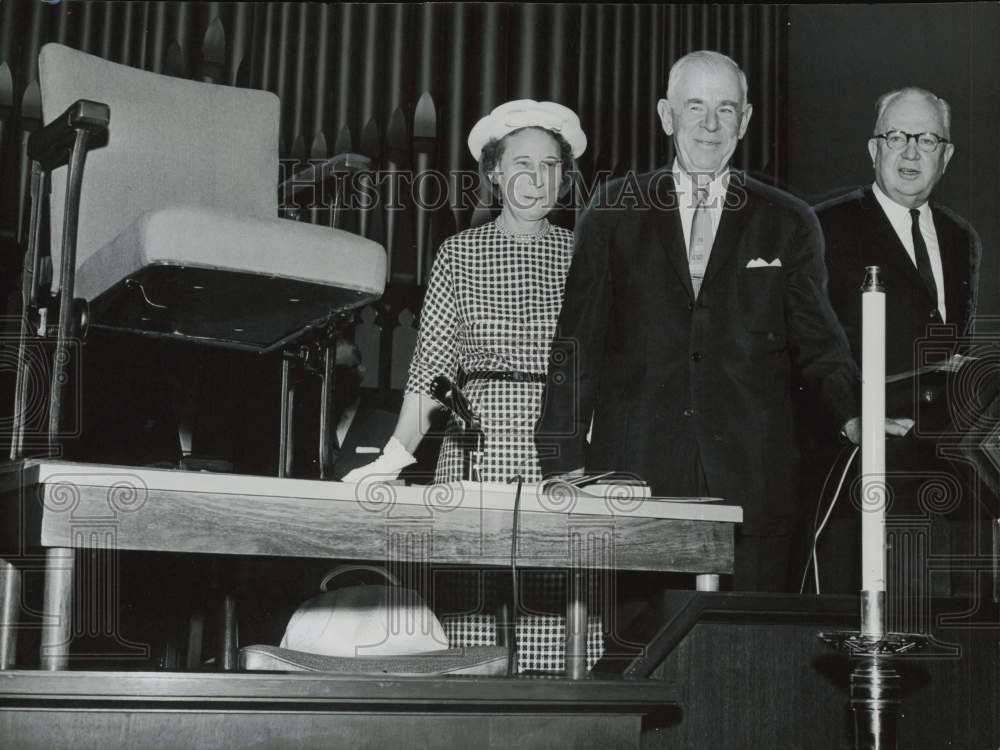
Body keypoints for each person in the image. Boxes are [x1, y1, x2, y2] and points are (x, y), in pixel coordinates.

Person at [534, 50, 896, 592]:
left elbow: (821, 345)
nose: (710, 124)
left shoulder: (788, 220)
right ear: (666, 115)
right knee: (640, 658)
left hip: (754, 483)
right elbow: (575, 347)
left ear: (745, 120)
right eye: (695, 106)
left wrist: (854, 416)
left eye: (726, 109)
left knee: (744, 665)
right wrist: (563, 467)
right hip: (633, 484)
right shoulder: (612, 212)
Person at [343, 99, 586, 487]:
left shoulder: (583, 255)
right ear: (495, 171)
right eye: (523, 164)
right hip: (477, 442)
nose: (538, 180)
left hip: (561, 449)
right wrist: (394, 457)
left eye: (550, 166)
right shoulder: (458, 253)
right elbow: (430, 372)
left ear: (564, 177)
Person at [812, 87, 984, 594]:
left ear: (946, 156)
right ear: (874, 149)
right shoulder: (824, 229)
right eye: (897, 137)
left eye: (927, 140)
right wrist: (848, 418)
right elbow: (803, 349)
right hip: (864, 466)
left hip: (950, 468)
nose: (911, 152)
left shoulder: (959, 238)